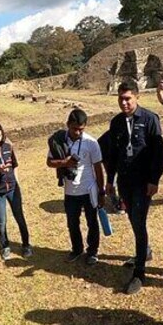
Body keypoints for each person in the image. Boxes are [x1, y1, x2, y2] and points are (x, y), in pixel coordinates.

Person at [103, 79, 163, 295]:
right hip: (125, 181)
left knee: (139, 221)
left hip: (143, 182)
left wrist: (154, 180)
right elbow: (111, 155)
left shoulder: (149, 119)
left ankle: (139, 273)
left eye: (128, 98)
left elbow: (159, 153)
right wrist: (110, 180)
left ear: (137, 97)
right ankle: (144, 251)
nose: (124, 103)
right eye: (120, 99)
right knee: (133, 218)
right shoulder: (116, 122)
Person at [46, 109, 105, 265]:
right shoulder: (58, 141)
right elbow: (49, 162)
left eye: (81, 129)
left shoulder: (91, 143)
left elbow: (98, 168)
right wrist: (65, 163)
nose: (78, 132)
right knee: (72, 223)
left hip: (88, 189)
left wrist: (101, 191)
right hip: (70, 191)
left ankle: (92, 251)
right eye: (74, 128)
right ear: (68, 125)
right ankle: (77, 249)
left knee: (92, 222)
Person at [0, 122, 33, 260]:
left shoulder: (8, 147)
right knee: (2, 221)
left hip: (13, 188)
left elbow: (15, 165)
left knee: (19, 217)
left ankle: (26, 245)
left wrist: (17, 181)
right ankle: (5, 246)